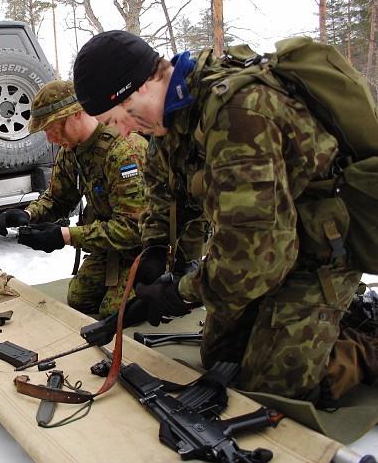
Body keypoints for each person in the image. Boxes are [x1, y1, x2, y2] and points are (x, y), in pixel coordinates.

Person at [72, 30, 377, 403]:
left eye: (119, 117)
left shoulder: (237, 114)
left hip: (324, 248)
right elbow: (163, 193)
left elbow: (256, 258)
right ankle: (313, 322)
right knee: (220, 356)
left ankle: (364, 340)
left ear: (140, 87)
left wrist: (179, 295)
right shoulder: (172, 120)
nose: (123, 130)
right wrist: (154, 248)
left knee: (270, 384)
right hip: (273, 240)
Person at [0, 80, 148, 318]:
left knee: (115, 312)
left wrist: (65, 236)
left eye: (52, 128)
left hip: (148, 248)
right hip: (110, 247)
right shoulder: (72, 152)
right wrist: (27, 214)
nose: (50, 138)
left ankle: (171, 281)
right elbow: (58, 199)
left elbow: (133, 228)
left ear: (76, 114)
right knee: (80, 299)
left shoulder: (123, 150)